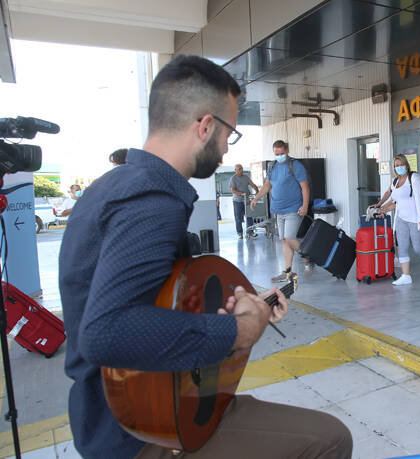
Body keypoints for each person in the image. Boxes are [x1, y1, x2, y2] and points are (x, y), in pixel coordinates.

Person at [59, 55, 351, 459]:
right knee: (330, 440)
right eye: (229, 132)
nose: (227, 145)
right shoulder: (152, 200)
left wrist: (245, 303)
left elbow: (149, 299)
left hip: (126, 415)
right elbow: (106, 331)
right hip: (146, 429)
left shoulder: (112, 185)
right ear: (206, 126)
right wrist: (238, 331)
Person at [250, 140, 313, 282]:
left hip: (293, 208)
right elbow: (267, 185)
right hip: (278, 209)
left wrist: (305, 205)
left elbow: (305, 187)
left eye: (282, 153)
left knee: (290, 238)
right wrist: (256, 198)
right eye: (277, 154)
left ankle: (307, 255)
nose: (279, 156)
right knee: (284, 240)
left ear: (287, 151)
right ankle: (287, 271)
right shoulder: (272, 166)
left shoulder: (295, 165)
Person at [374, 154, 420, 286]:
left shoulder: (414, 178)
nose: (398, 167)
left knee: (418, 247)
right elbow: (395, 202)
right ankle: (406, 276)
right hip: (401, 218)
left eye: (400, 164)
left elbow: (418, 198)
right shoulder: (395, 181)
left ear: (406, 165)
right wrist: (382, 209)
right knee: (402, 247)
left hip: (416, 218)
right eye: (396, 166)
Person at [230, 163, 259, 239]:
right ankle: (239, 233)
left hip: (246, 200)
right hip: (237, 201)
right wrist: (242, 193)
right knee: (238, 217)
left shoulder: (246, 177)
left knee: (249, 216)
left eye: (241, 169)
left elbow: (252, 184)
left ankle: (250, 232)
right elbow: (233, 190)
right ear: (235, 170)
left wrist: (257, 191)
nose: (241, 170)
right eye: (239, 169)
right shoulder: (233, 178)